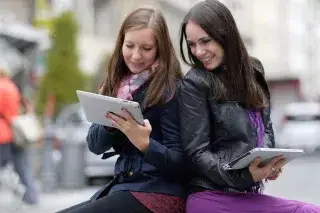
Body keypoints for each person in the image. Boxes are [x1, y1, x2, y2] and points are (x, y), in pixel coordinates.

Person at [178, 1, 320, 213]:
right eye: (192, 44)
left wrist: (268, 162)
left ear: (225, 34)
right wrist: (245, 176)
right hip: (211, 196)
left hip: (247, 195)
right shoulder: (195, 82)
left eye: (205, 41)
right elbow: (197, 153)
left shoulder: (254, 71)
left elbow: (266, 126)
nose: (198, 51)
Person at [57, 7, 185, 213]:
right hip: (125, 186)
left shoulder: (171, 90)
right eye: (130, 45)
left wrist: (145, 144)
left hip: (159, 193)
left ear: (160, 49)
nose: (136, 55)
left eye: (146, 48)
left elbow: (181, 164)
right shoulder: (118, 86)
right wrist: (111, 122)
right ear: (121, 44)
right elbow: (95, 146)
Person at [0, 67, 40, 205]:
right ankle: (31, 196)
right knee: (22, 166)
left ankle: (18, 191)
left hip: (3, 134)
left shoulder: (1, 88)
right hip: (17, 135)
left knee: (4, 168)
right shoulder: (12, 87)